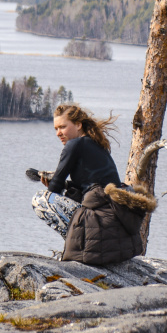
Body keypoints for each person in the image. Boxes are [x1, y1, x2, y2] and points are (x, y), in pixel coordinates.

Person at [26, 102, 154, 265]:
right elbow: (92, 186)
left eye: (63, 127)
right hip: (114, 227)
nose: (58, 133)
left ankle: (78, 246)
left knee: (40, 199)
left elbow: (55, 188)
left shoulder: (74, 144)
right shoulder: (96, 144)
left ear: (78, 124)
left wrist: (52, 188)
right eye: (56, 129)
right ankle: (80, 244)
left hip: (100, 224)